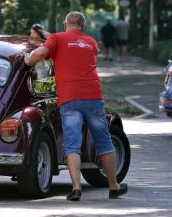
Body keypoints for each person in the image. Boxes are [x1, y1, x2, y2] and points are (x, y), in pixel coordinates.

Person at [24, 11, 128, 201]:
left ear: (65, 24)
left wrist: (27, 60)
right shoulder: (92, 42)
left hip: (70, 99)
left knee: (72, 144)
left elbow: (39, 54)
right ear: (83, 26)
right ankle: (114, 186)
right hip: (93, 97)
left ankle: (76, 188)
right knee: (104, 142)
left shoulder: (57, 38)